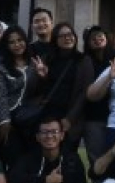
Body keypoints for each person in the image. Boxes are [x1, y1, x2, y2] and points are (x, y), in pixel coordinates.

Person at [0, 25, 43, 161]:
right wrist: (4, 121)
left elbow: (39, 91)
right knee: (9, 158)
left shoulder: (33, 63)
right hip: (7, 120)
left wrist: (42, 76)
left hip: (28, 119)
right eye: (12, 42)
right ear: (6, 45)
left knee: (29, 158)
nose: (17, 45)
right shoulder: (2, 67)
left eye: (20, 40)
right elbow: (0, 95)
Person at [38, 22, 91, 152]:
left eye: (70, 34)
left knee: (67, 155)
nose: (68, 38)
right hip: (48, 116)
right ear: (55, 39)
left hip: (70, 117)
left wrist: (70, 119)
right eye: (63, 35)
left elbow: (85, 92)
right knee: (47, 152)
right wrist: (42, 77)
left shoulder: (83, 60)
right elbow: (41, 90)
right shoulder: (48, 59)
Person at [81, 25, 115, 162]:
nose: (97, 39)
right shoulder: (85, 61)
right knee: (96, 157)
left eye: (100, 36)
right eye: (93, 38)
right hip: (93, 117)